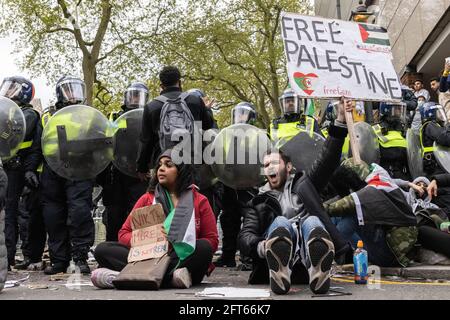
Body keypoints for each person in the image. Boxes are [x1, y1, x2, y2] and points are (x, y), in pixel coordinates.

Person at [238, 98, 353, 295]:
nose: (270, 168)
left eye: (275, 163)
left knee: (313, 221)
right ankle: (280, 268)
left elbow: (328, 158)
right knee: (281, 222)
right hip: (276, 250)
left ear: (289, 167)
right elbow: (245, 237)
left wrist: (341, 119)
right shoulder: (257, 202)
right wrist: (263, 246)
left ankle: (317, 270)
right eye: (266, 166)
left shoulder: (305, 185)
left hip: (304, 261)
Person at [93, 150, 219, 289]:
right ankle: (169, 279)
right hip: (147, 257)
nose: (161, 169)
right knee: (102, 250)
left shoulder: (199, 200)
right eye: (159, 165)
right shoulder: (147, 199)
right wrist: (146, 239)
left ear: (182, 171)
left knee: (204, 248)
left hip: (180, 257)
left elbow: (211, 240)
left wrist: (179, 239)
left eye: (168, 165)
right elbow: (124, 233)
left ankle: (128, 278)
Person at [26, 75, 95, 274]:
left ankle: (80, 258)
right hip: (53, 171)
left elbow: (100, 144)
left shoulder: (89, 115)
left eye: (76, 90)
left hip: (79, 170)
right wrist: (31, 169)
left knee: (80, 213)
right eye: (68, 90)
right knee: (53, 215)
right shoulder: (47, 117)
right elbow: (37, 146)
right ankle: (59, 261)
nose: (72, 95)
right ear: (60, 93)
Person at [137, 66, 214, 180]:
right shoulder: (195, 101)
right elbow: (208, 126)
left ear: (161, 85)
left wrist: (142, 168)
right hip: (191, 163)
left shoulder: (151, 107)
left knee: (165, 196)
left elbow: (146, 141)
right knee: (191, 195)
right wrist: (206, 110)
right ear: (179, 82)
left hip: (164, 164)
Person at [97, 82, 148, 241]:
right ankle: (112, 249)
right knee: (114, 213)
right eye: (132, 95)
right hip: (116, 172)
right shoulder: (114, 117)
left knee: (140, 214)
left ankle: (140, 251)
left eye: (138, 95)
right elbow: (105, 144)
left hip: (139, 173)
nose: (134, 98)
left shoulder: (149, 117)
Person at [0, 76, 40, 270]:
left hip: (16, 169)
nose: (8, 91)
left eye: (13, 88)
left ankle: (9, 258)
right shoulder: (7, 110)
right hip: (7, 167)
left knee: (11, 214)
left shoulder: (27, 114)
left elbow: (16, 134)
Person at [215, 102, 258, 268]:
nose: (240, 116)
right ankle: (228, 256)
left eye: (244, 113)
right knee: (228, 220)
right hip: (229, 183)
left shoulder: (258, 135)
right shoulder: (225, 134)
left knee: (250, 220)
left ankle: (248, 258)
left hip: (249, 184)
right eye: (238, 113)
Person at [372, 102, 411, 180]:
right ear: (388, 110)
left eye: (401, 109)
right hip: (383, 177)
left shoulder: (403, 130)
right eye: (397, 108)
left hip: (402, 176)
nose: (400, 112)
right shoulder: (376, 129)